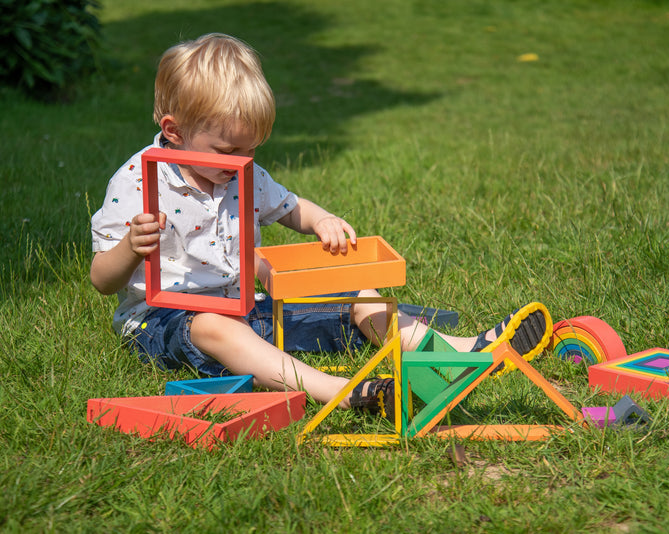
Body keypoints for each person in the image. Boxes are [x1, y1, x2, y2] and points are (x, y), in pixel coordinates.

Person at [90, 33, 548, 416]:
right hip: (162, 323)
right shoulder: (137, 182)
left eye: (250, 151)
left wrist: (321, 220)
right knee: (215, 326)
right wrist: (132, 245)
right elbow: (102, 280)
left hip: (245, 309)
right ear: (174, 131)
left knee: (359, 296)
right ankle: (340, 392)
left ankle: (455, 353)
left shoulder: (240, 173)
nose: (240, 163)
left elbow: (291, 208)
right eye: (226, 150)